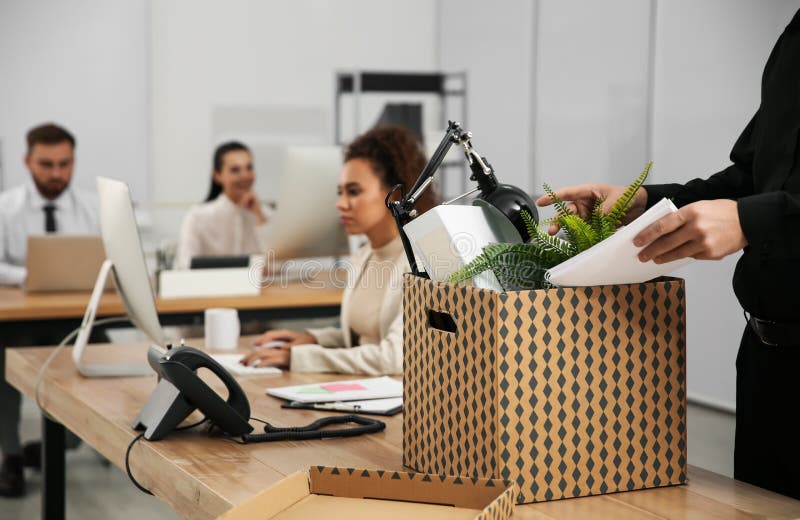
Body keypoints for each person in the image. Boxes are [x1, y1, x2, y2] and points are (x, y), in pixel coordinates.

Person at [537, 8, 800, 499]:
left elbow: (762, 203)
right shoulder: (795, 35)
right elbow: (753, 178)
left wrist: (755, 219)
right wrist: (644, 202)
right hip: (767, 363)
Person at [241, 125, 435, 374]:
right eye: (340, 192)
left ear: (395, 195)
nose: (341, 204)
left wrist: (301, 358)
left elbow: (393, 357)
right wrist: (315, 339)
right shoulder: (364, 255)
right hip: (365, 389)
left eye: (353, 192)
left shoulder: (421, 261)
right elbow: (365, 337)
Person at [0, 123, 99, 497]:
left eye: (64, 164)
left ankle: (56, 447)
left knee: (100, 369)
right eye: (46, 164)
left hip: (74, 319)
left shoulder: (92, 208)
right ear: (27, 161)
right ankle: (9, 455)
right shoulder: (5, 208)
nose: (57, 173)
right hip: (16, 320)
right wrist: (31, 274)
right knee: (4, 367)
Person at [174, 141, 271, 269]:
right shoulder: (198, 216)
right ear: (217, 176)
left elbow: (279, 265)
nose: (245, 175)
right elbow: (185, 265)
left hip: (258, 288)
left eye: (249, 168)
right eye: (235, 170)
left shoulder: (266, 215)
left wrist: (259, 217)